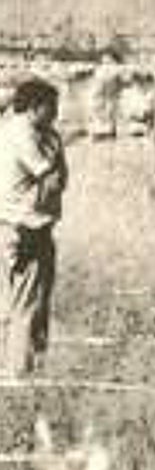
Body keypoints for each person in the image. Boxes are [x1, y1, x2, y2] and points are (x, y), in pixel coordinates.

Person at [0, 77, 68, 379]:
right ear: (35, 107)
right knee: (27, 304)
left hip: (22, 225)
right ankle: (21, 375)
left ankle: (22, 369)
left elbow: (58, 182)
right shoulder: (23, 134)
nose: (56, 113)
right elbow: (53, 178)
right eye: (51, 107)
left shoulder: (22, 131)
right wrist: (56, 151)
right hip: (25, 227)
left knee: (22, 303)